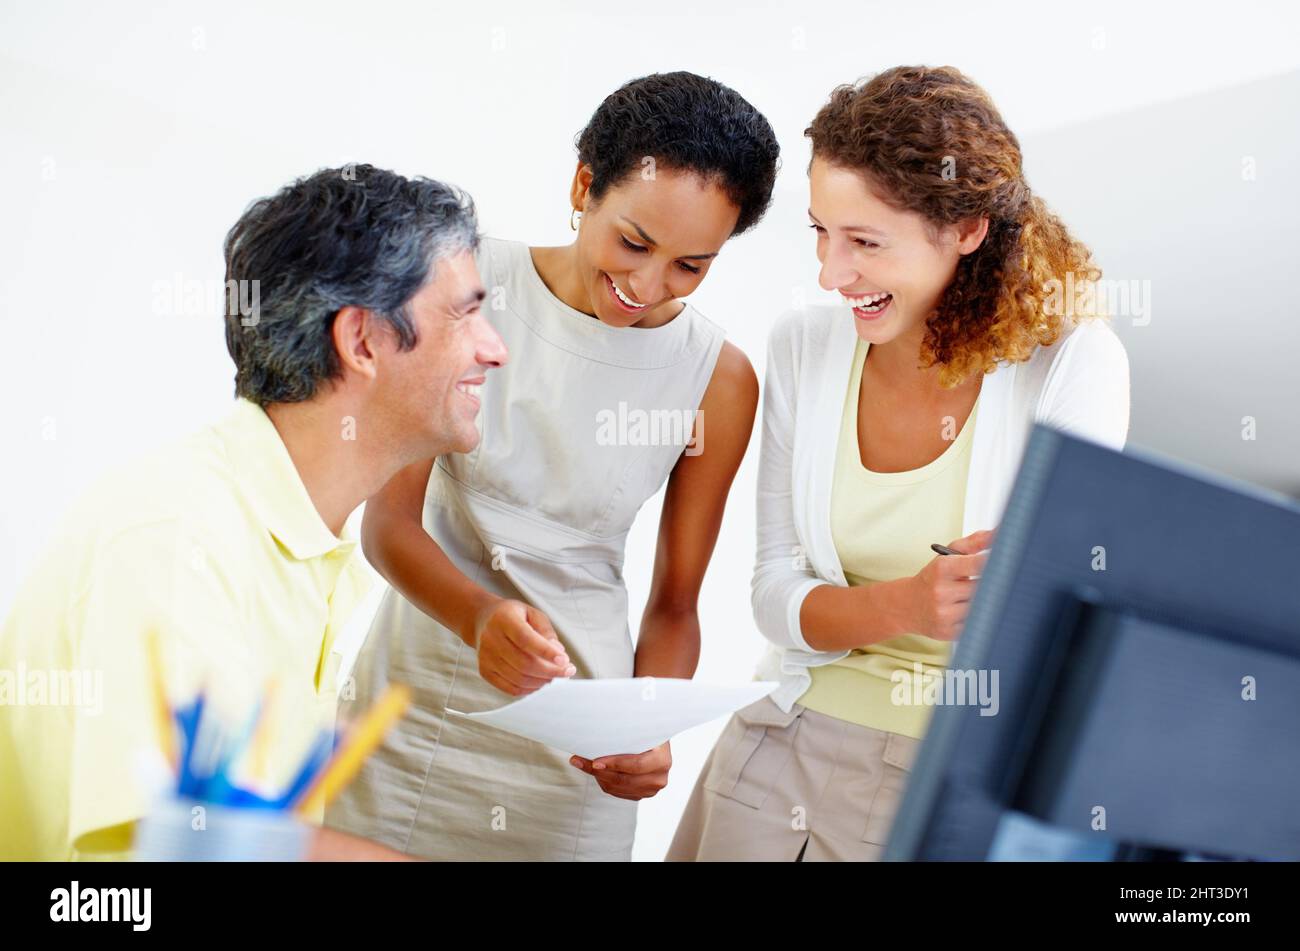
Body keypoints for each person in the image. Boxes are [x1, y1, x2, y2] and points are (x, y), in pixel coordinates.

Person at [668, 65, 1131, 861]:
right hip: (778, 749)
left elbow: (1049, 624)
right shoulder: (806, 347)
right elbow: (775, 597)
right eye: (820, 230)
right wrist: (912, 605)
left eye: (865, 242)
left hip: (948, 776)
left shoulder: (1067, 364)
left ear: (966, 230)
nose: (830, 273)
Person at [325, 72, 780, 860]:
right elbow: (387, 523)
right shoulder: (464, 289)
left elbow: (675, 605)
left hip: (577, 744)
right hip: (410, 712)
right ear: (583, 185)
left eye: (690, 265)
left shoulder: (717, 377)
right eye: (634, 243)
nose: (646, 285)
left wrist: (650, 729)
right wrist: (477, 618)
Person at [0, 164, 507, 860]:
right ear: (361, 341)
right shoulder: (179, 538)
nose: (495, 349)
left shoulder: (301, 546)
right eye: (464, 312)